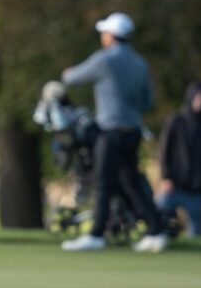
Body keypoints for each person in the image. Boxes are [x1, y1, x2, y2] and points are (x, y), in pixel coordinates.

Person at [59, 13, 167, 253]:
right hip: (133, 132)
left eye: (104, 33)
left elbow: (73, 77)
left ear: (111, 36)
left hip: (110, 132)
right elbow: (148, 101)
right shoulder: (140, 63)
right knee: (131, 182)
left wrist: (66, 73)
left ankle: (97, 234)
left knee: (103, 182)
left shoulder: (105, 60)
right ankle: (155, 231)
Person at [158, 81, 201, 237]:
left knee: (196, 228)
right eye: (197, 98)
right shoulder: (176, 122)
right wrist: (166, 177)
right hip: (174, 185)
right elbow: (164, 151)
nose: (200, 102)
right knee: (160, 215)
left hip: (198, 189)